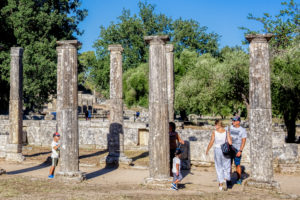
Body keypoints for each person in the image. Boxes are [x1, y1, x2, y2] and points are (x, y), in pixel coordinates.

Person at [206, 120, 232, 191]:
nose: (215, 126)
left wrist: (208, 149)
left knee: (218, 166)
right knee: (226, 166)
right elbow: (230, 142)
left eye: (215, 125)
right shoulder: (227, 132)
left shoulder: (214, 132)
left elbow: (211, 141)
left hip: (217, 150)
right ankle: (226, 180)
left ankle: (220, 184)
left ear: (218, 125)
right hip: (225, 150)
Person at [229, 116, 247, 185]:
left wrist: (240, 151)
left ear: (238, 122)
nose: (232, 122)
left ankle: (239, 179)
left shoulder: (242, 130)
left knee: (237, 165)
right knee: (228, 165)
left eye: (234, 120)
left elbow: (243, 141)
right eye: (232, 120)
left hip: (237, 150)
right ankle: (229, 179)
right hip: (230, 149)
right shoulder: (230, 128)